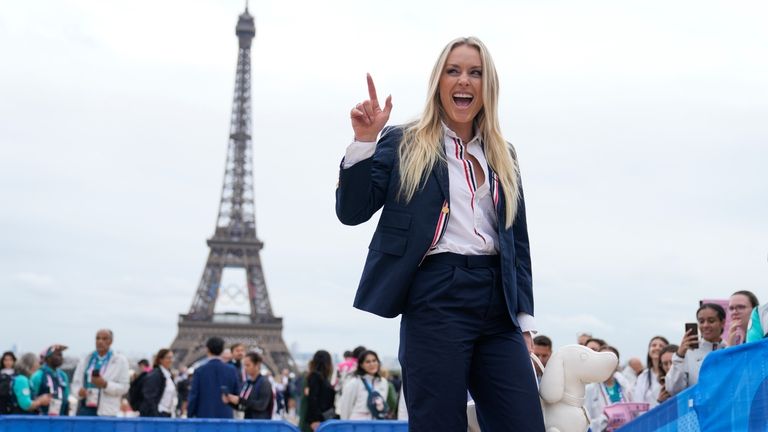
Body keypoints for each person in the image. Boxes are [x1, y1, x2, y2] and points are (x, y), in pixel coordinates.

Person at [336, 36, 544, 431]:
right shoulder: (405, 141)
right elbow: (352, 211)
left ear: (488, 85)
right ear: (439, 82)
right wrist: (364, 142)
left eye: (475, 72)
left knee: (523, 422)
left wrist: (525, 322)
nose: (464, 80)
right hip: (436, 295)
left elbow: (517, 243)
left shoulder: (504, 153)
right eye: (454, 71)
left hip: (497, 302)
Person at [666, 303, 727, 396]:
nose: (705, 325)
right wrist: (679, 356)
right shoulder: (689, 351)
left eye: (711, 321)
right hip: (696, 409)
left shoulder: (730, 349)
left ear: (722, 323)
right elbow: (673, 389)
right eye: (701, 321)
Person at [71, 329, 130, 416]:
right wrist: (79, 392)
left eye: (104, 339)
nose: (100, 341)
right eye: (97, 338)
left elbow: (124, 387)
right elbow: (75, 384)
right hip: (85, 408)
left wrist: (105, 384)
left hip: (107, 411)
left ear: (111, 341)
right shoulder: (86, 359)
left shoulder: (120, 361)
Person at [187, 336, 239, 418]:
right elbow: (236, 395)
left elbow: (194, 397)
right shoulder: (231, 370)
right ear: (222, 350)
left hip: (203, 417)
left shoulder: (199, 371)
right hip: (225, 417)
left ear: (207, 349)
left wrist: (189, 416)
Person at [584, 346, 634, 432]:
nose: (606, 362)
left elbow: (636, 414)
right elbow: (585, 424)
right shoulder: (590, 389)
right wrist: (604, 418)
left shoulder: (626, 387)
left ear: (617, 363)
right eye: (602, 359)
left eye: (610, 359)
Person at [338, 350, 390, 420]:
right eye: (368, 362)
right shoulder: (354, 382)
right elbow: (346, 407)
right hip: (357, 425)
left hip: (377, 425)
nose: (372, 364)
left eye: (374, 360)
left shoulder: (383, 382)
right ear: (361, 365)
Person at [224, 352, 273, 419]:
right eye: (244, 365)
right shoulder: (248, 383)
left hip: (260, 425)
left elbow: (261, 406)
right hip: (250, 423)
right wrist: (230, 401)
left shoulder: (264, 383)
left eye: (248, 365)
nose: (245, 368)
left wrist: (240, 400)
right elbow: (243, 407)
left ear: (257, 365)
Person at [299, 350, 336, 431]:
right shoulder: (316, 377)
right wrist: (315, 420)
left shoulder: (315, 377)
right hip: (317, 422)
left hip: (318, 420)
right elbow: (313, 399)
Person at [30, 344, 70, 416]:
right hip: (42, 419)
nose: (60, 357)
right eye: (57, 355)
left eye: (61, 355)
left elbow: (66, 396)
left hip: (61, 419)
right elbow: (31, 399)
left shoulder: (63, 376)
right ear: (47, 358)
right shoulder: (38, 375)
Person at [632, 336, 669, 409]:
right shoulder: (643, 377)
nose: (657, 348)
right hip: (649, 418)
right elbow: (638, 404)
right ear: (649, 351)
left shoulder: (671, 375)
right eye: (653, 345)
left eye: (661, 346)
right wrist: (658, 402)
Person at [139, 349, 177, 417]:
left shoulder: (168, 375)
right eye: (168, 358)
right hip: (159, 414)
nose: (171, 360)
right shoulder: (155, 375)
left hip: (167, 413)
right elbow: (150, 398)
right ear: (160, 359)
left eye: (172, 357)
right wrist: (156, 414)